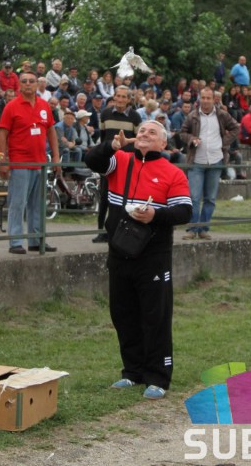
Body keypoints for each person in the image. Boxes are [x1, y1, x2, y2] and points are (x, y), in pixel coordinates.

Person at [85, 121, 192, 399]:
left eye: (152, 132)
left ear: (163, 144)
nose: (145, 134)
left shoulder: (173, 172)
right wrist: (111, 146)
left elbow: (184, 212)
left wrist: (155, 215)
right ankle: (132, 372)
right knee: (123, 314)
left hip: (154, 255)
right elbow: (91, 160)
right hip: (119, 251)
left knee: (156, 316)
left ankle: (157, 377)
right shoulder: (120, 160)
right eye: (142, 130)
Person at [0, 71, 60, 255]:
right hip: (19, 162)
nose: (28, 84)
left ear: (37, 84)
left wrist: (56, 158)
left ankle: (36, 240)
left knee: (38, 205)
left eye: (31, 81)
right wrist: (2, 160)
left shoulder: (44, 105)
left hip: (40, 163)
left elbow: (51, 132)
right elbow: (2, 134)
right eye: (24, 81)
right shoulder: (11, 106)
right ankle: (15, 241)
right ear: (19, 84)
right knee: (17, 203)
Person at [181, 87, 239, 240]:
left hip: (216, 160)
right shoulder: (192, 115)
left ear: (214, 100)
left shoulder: (222, 115)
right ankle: (192, 229)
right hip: (196, 161)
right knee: (194, 197)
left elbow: (235, 128)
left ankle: (203, 228)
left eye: (208, 98)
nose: (205, 101)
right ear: (199, 99)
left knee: (210, 198)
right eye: (203, 98)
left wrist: (224, 142)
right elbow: (183, 132)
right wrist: (191, 139)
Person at [93, 86, 142, 243]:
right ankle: (101, 232)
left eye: (123, 97)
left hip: (127, 162)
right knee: (104, 197)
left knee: (123, 197)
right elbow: (103, 137)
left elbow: (138, 139)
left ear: (128, 100)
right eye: (118, 96)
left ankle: (120, 231)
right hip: (109, 160)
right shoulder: (105, 114)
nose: (120, 99)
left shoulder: (135, 116)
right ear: (114, 97)